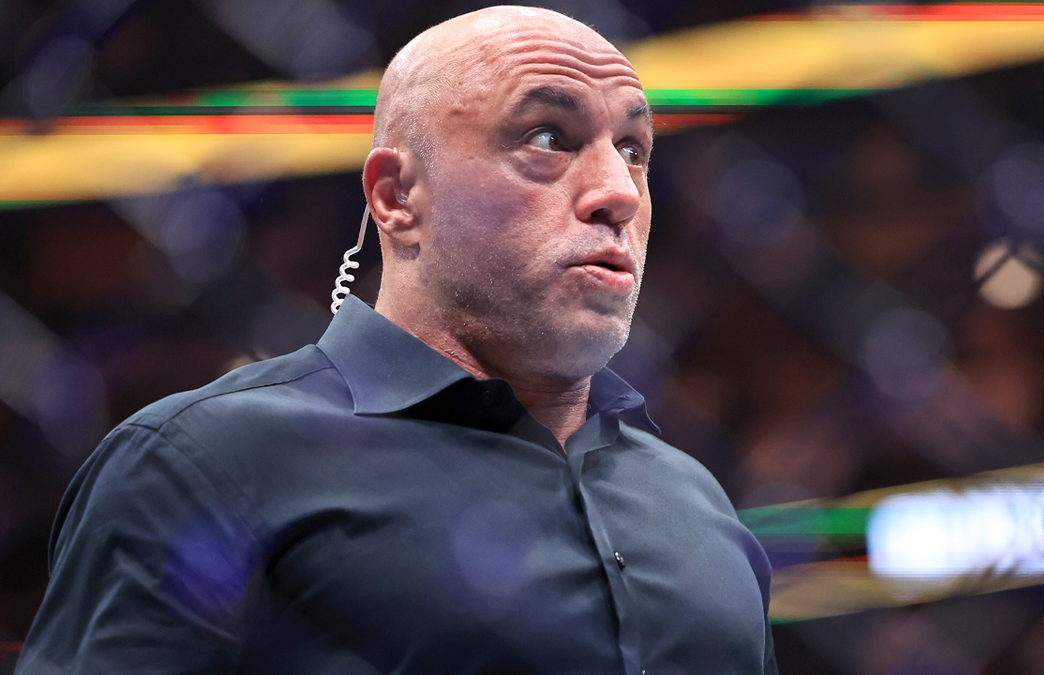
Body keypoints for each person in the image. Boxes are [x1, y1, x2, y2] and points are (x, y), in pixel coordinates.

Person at [16, 6, 776, 674]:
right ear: (398, 196)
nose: (618, 192)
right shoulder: (203, 463)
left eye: (635, 148)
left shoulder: (696, 502)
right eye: (549, 137)